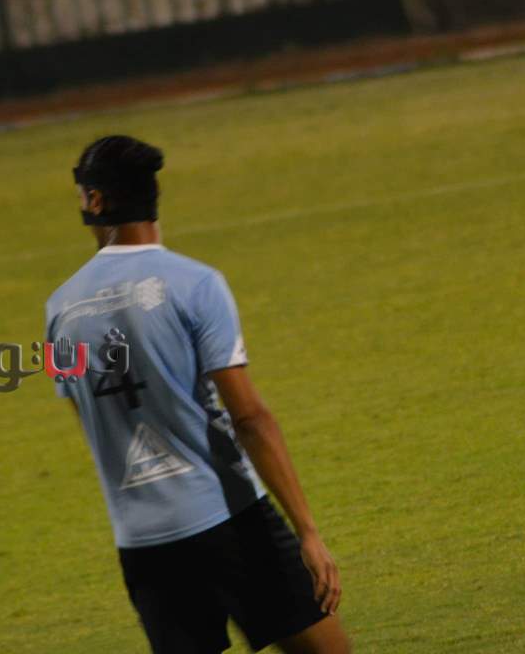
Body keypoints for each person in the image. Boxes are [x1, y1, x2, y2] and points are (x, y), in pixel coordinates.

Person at [44, 135, 351, 654]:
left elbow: (90, 421)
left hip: (143, 542)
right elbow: (249, 418)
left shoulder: (58, 309)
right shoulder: (196, 283)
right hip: (231, 520)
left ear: (96, 200)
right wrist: (308, 532)